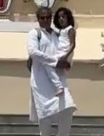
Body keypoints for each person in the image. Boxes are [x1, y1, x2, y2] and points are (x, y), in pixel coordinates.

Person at [27, 7, 77, 136]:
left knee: (68, 108)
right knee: (45, 118)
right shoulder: (35, 33)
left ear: (51, 18)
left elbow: (66, 50)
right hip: (41, 82)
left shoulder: (58, 34)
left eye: (48, 17)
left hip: (59, 80)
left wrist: (67, 63)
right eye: (42, 18)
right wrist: (54, 62)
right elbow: (33, 52)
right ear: (38, 19)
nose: (45, 20)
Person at [50, 7, 76, 96]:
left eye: (63, 17)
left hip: (65, 54)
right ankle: (60, 87)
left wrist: (65, 56)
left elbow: (73, 44)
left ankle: (59, 87)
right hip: (60, 53)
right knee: (58, 72)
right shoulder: (62, 31)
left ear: (68, 18)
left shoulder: (70, 29)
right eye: (59, 17)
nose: (61, 19)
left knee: (48, 63)